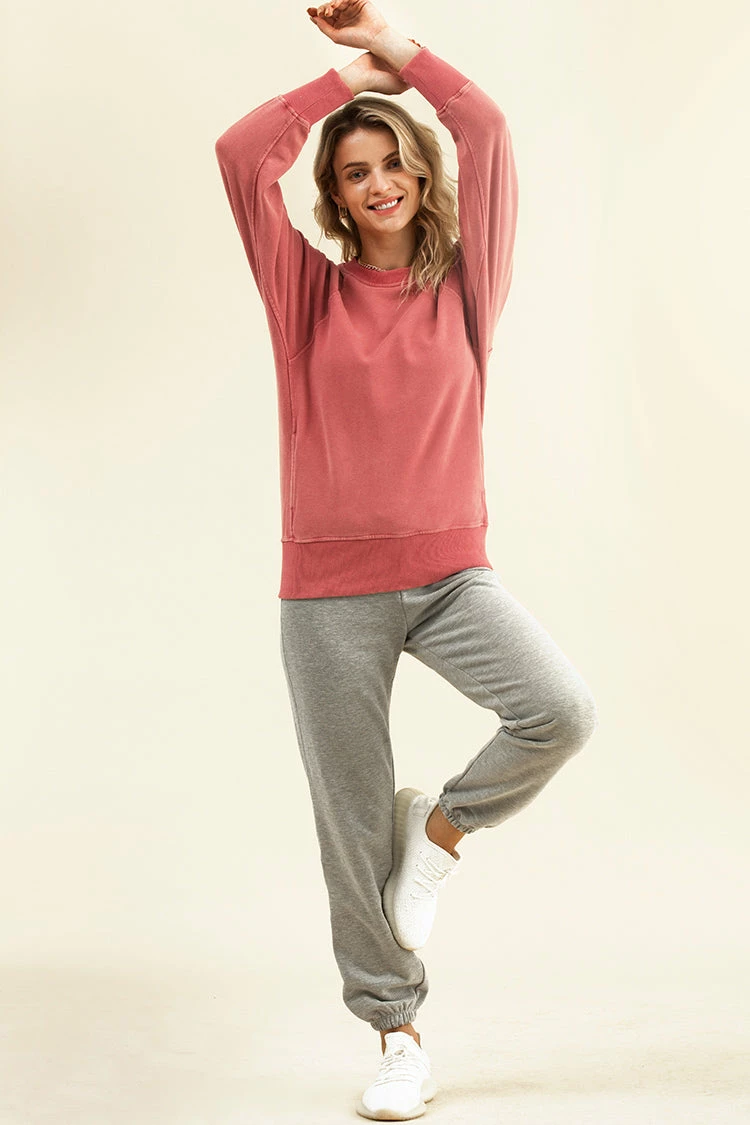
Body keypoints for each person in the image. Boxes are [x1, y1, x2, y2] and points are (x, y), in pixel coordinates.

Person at [214, 1, 599, 1119]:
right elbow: (241, 154)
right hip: (327, 595)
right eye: (354, 172)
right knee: (346, 824)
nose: (378, 182)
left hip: (450, 578)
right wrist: (344, 88)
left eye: (392, 163)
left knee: (560, 710)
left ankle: (440, 828)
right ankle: (396, 1032)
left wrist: (392, 49)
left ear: (422, 176)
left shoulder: (469, 283)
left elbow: (488, 130)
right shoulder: (303, 293)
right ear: (334, 197)